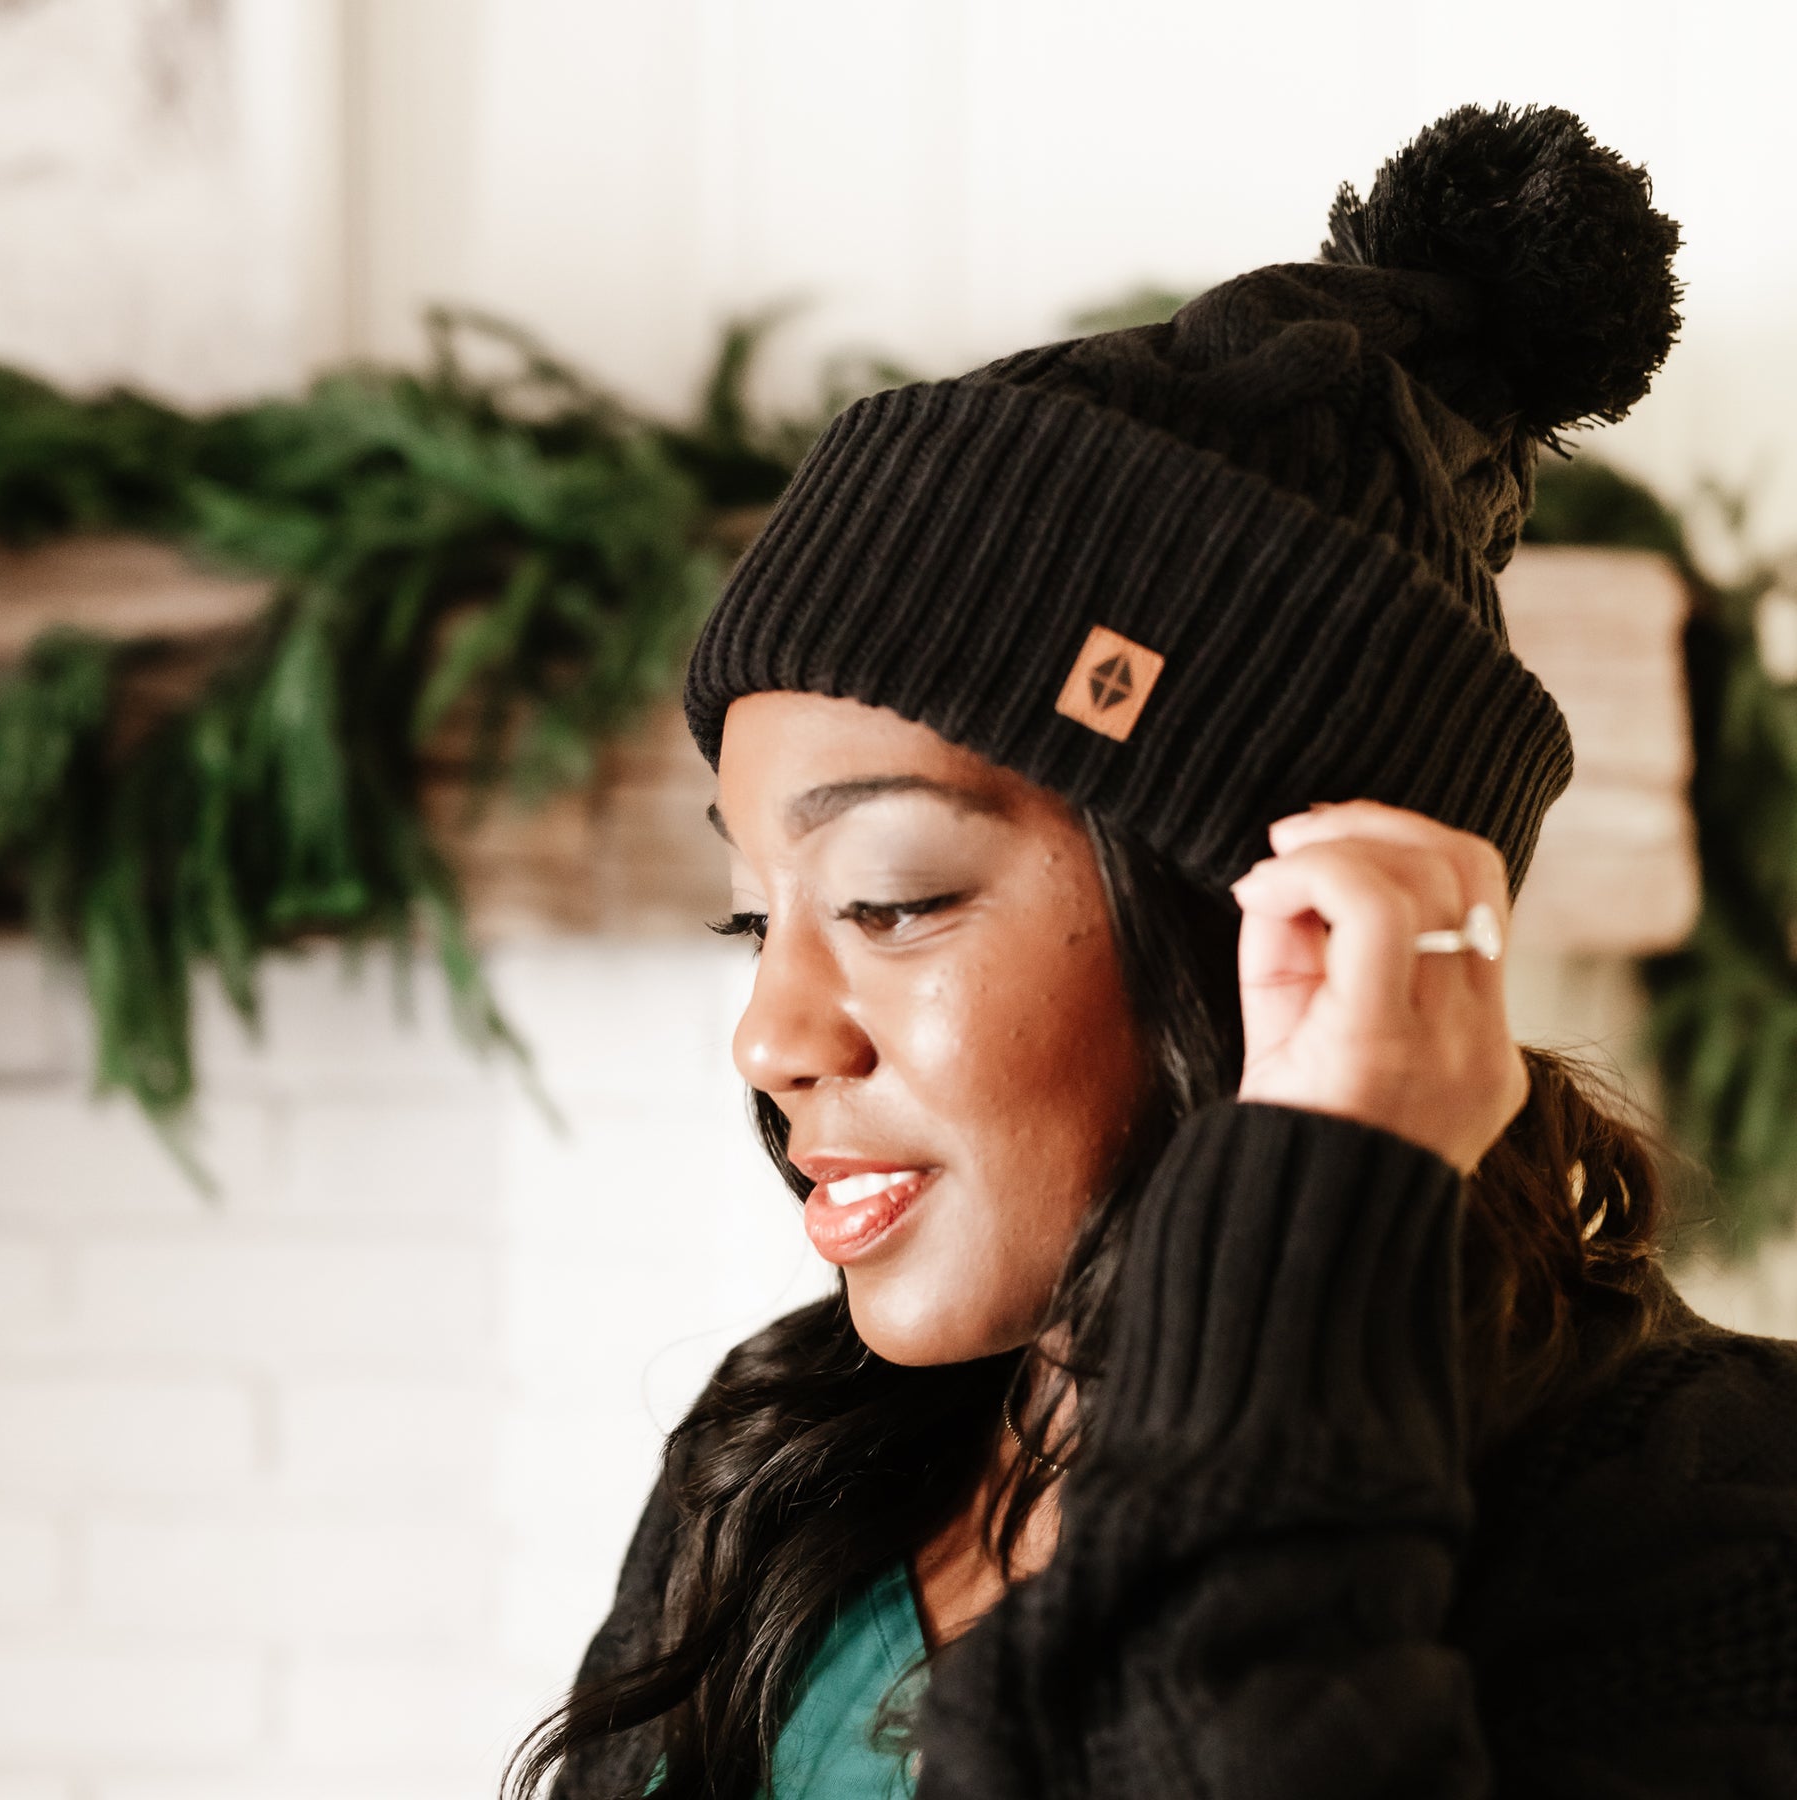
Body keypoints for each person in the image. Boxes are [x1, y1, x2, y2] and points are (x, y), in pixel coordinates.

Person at [508, 102, 1797, 1800]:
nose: (772, 1034)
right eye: (760, 917)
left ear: (1284, 911)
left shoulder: (1717, 1523)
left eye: (890, 900)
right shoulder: (780, 1468)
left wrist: (1302, 1245)